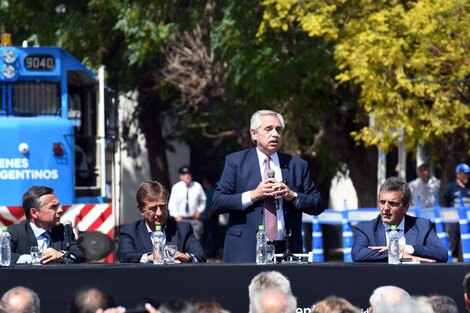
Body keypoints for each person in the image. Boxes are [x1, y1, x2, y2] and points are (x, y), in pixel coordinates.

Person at [212, 110, 324, 262]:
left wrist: (292, 196)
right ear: (254, 134)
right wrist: (253, 195)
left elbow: (318, 205)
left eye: (279, 130)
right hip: (245, 249)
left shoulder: (297, 165)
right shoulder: (236, 162)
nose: (275, 134)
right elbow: (218, 202)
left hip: (286, 250)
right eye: (268, 129)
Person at [351, 176, 448, 263]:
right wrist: (400, 255)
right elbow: (358, 254)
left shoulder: (422, 226)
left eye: (392, 203)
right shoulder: (366, 229)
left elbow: (442, 254)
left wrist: (406, 249)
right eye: (382, 202)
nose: (385, 208)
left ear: (406, 207)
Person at [118, 180, 206, 263]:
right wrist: (149, 257)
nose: (159, 213)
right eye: (153, 208)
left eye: (162, 206)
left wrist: (186, 257)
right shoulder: (129, 232)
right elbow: (124, 256)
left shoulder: (183, 229)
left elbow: (200, 256)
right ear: (141, 209)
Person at [9, 186, 85, 264]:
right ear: (34, 213)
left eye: (58, 206)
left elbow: (79, 256)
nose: (60, 210)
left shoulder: (64, 231)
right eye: (53, 207)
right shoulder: (15, 232)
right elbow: (4, 256)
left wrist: (62, 256)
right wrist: (38, 258)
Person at [168, 166, 206, 240]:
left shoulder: (197, 186)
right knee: (182, 241)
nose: (187, 176)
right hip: (181, 220)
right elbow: (172, 204)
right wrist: (176, 215)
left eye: (188, 173)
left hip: (194, 220)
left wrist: (199, 210)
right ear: (181, 176)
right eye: (184, 174)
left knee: (196, 241)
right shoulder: (176, 187)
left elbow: (203, 200)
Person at [443, 162, 470, 261]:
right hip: (455, 220)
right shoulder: (451, 187)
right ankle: (453, 260)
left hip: (468, 220)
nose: (466, 176)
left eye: (468, 173)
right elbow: (446, 200)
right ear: (458, 174)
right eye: (464, 173)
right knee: (454, 238)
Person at [201, 174, 219, 258]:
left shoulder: (211, 191)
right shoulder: (208, 190)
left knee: (211, 234)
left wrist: (210, 213)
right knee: (209, 234)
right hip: (206, 216)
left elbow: (213, 203)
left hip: (210, 217)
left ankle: (212, 251)